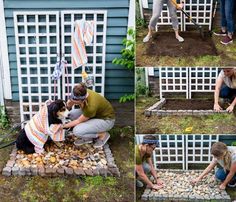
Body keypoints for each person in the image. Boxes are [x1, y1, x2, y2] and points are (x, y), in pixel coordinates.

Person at [62, 82, 115, 148]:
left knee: (77, 131)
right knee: (71, 114)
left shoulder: (91, 107)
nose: (73, 101)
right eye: (72, 98)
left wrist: (62, 126)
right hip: (95, 115)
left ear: (82, 100)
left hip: (106, 120)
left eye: (76, 101)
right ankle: (87, 137)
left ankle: (102, 135)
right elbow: (68, 107)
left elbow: (78, 121)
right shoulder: (82, 92)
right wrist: (68, 105)